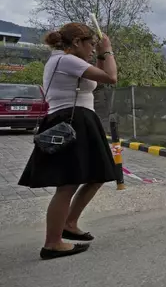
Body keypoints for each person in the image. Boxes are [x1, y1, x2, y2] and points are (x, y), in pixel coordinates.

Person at [18, 22, 119, 260]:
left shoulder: (66, 61)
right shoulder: (66, 60)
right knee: (67, 185)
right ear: (76, 43)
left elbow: (97, 78)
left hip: (80, 120)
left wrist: (101, 56)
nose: (94, 49)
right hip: (72, 121)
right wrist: (108, 50)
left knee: (98, 176)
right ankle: (52, 243)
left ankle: (69, 223)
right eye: (91, 44)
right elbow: (111, 77)